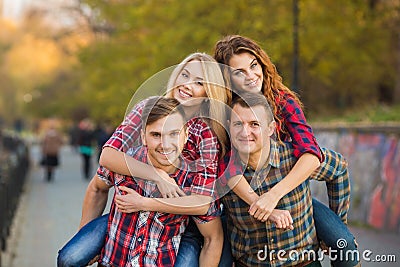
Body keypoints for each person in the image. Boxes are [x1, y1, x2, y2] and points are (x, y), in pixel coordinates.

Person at [58, 53, 231, 267]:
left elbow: (202, 202)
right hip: (135, 207)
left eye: (198, 82)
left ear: (208, 92)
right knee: (71, 257)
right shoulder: (149, 108)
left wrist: (147, 202)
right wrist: (157, 175)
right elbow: (108, 156)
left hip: (180, 220)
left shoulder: (205, 134)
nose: (187, 85)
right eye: (184, 75)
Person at [214, 35, 359, 267]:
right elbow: (225, 166)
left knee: (343, 242)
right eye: (239, 72)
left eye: (254, 66)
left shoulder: (282, 101)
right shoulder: (225, 111)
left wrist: (274, 196)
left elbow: (311, 154)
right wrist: (259, 203)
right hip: (241, 201)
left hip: (289, 190)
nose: (251, 76)